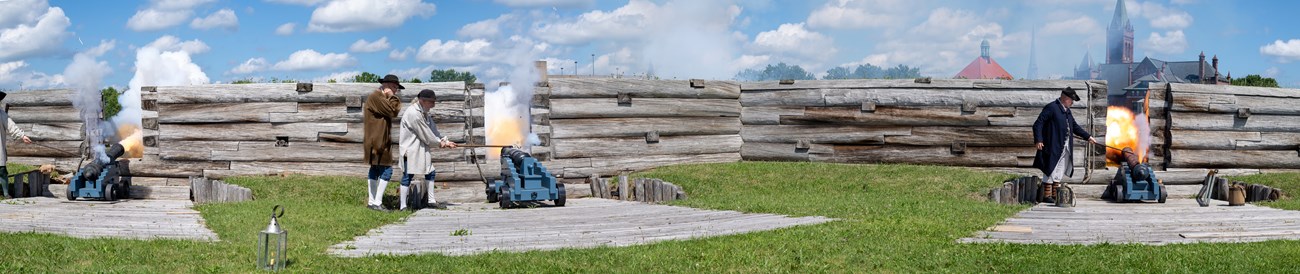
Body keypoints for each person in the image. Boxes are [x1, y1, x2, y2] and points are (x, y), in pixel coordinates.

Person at [398, 89, 457, 211]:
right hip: (411, 149)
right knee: (407, 176)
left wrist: (445, 140)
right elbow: (426, 134)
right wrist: (441, 144)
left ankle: (431, 201)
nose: (433, 105)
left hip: (420, 149)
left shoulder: (424, 113)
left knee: (430, 172)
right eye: (431, 102)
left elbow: (433, 130)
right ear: (422, 101)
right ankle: (402, 206)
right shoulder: (413, 114)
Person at [1033, 87, 1096, 186]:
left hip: (1065, 146)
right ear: (1065, 98)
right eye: (1071, 100)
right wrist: (1038, 139)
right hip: (1053, 144)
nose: (1072, 103)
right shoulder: (1052, 107)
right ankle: (1046, 195)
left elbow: (1074, 126)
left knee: (1060, 168)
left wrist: (1088, 137)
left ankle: (1055, 194)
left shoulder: (1067, 111)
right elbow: (1038, 123)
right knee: (1050, 167)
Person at [363, 75, 403, 211]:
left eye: (396, 88)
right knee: (387, 169)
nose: (395, 90)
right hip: (377, 140)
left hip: (378, 139)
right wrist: (392, 96)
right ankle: (377, 202)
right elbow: (394, 110)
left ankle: (372, 202)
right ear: (385, 85)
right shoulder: (376, 97)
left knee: (375, 169)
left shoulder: (379, 97)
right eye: (393, 87)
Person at [0, 92, 33, 198]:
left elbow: (11, 126)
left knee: (2, 171)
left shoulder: (1, 115)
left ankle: (5, 193)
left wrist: (22, 136)